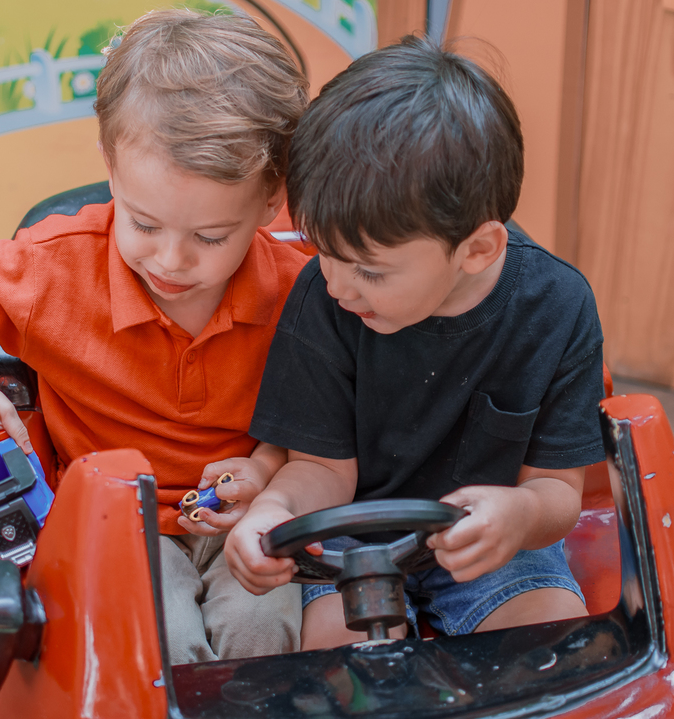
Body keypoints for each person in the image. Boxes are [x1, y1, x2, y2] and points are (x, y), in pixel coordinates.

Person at [0, 9, 311, 663]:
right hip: (113, 525)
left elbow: (324, 419)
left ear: (269, 201)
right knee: (160, 637)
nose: (172, 260)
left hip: (246, 519)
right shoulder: (56, 267)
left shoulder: (298, 291)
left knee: (265, 638)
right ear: (110, 166)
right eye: (144, 224)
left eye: (209, 237)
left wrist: (268, 473)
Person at [225, 35, 604, 648]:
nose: (338, 285)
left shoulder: (557, 307)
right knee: (343, 668)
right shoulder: (325, 298)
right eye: (324, 253)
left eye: (370, 271)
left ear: (478, 249)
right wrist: (272, 512)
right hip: (348, 544)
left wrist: (521, 515)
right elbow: (321, 470)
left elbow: (559, 490)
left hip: (494, 546)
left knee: (553, 651)